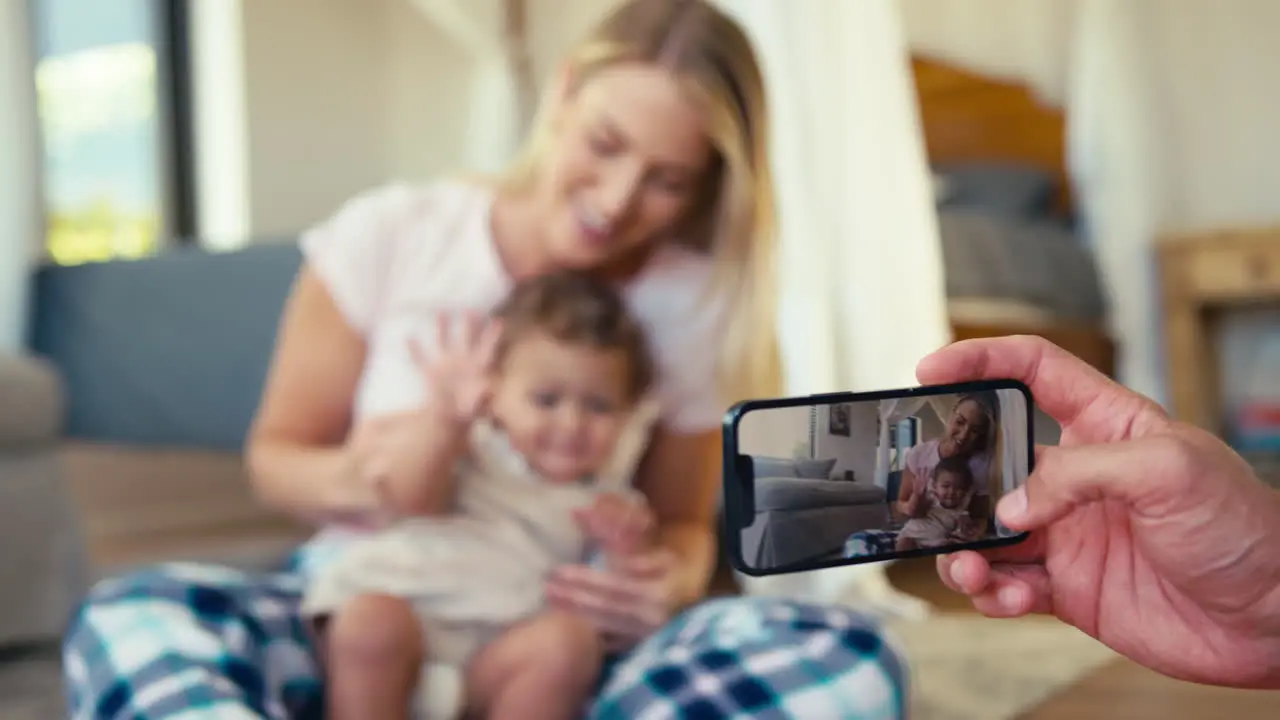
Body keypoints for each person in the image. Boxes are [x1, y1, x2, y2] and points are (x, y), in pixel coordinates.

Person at [61, 1, 908, 718]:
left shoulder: (690, 301)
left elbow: (685, 523)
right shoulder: (394, 234)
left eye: (667, 180)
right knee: (132, 617)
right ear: (565, 90)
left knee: (850, 652)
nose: (615, 204)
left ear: (711, 184)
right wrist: (387, 467)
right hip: (367, 595)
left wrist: (665, 577)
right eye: (605, 145)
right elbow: (276, 460)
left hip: (555, 624)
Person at [306, 272, 657, 719]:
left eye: (599, 406)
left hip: (496, 657)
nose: (570, 424)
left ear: (628, 415)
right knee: (371, 622)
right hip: (408, 613)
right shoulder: (473, 447)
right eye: (546, 400)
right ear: (495, 393)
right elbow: (410, 499)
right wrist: (443, 422)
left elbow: (618, 608)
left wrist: (625, 551)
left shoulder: (612, 503)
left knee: (568, 644)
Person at [920, 334, 1280, 690]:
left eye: (977, 428)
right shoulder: (924, 457)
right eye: (960, 423)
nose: (965, 434)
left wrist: (1268, 593)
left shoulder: (992, 468)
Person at [895, 392, 997, 536]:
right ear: (950, 416)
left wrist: (973, 528)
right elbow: (899, 505)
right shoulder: (919, 453)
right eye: (960, 422)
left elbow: (980, 516)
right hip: (918, 532)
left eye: (974, 430)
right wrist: (911, 507)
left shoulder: (981, 465)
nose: (963, 435)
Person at [895, 455, 978, 552]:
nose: (951, 492)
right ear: (935, 486)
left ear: (965, 491)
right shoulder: (931, 499)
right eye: (946, 486)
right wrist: (917, 495)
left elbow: (964, 529)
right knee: (904, 545)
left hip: (936, 543)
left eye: (958, 487)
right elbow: (915, 511)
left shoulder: (961, 509)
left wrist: (967, 530)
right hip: (913, 537)